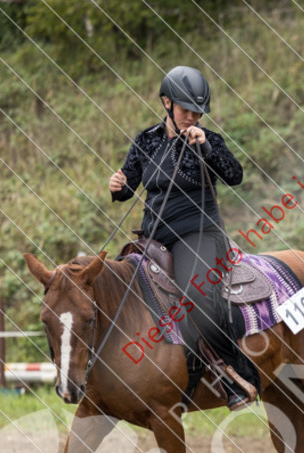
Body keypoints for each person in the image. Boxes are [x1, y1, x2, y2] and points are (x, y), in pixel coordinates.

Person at [109, 65, 258, 411]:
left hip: (198, 233)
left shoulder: (208, 140)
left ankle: (234, 372)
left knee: (193, 291)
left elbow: (234, 175)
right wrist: (118, 186)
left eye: (197, 112)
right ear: (166, 103)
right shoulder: (146, 141)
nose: (192, 117)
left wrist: (207, 148)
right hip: (153, 238)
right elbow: (129, 183)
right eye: (185, 109)